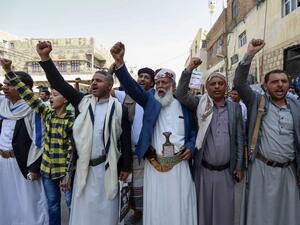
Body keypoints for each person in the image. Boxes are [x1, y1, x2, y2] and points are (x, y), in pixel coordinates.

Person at [36, 41, 132, 225]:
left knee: (106, 214)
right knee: (84, 216)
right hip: (84, 170)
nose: (94, 83)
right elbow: (59, 83)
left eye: (99, 80)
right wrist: (45, 58)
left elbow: (125, 140)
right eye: (93, 80)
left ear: (109, 86)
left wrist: (126, 167)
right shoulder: (82, 102)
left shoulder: (120, 110)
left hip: (108, 169)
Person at [111, 42, 197, 225]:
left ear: (173, 84)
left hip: (179, 165)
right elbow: (132, 88)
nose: (159, 86)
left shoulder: (185, 103)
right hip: (155, 164)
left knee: (179, 204)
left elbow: (195, 130)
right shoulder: (150, 99)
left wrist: (190, 145)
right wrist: (120, 63)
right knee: (157, 205)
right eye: (157, 82)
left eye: (164, 82)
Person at [234, 39, 300, 225]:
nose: (280, 85)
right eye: (275, 82)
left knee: (288, 216)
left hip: (289, 171)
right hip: (261, 169)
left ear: (289, 84)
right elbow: (239, 83)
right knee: (260, 217)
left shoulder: (296, 105)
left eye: (284, 81)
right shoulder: (257, 102)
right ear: (265, 85)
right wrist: (249, 55)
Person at [1, 58, 75, 225]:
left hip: (50, 168)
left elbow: (67, 148)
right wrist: (8, 70)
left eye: (55, 95)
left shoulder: (68, 119)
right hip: (41, 169)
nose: (50, 98)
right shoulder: (45, 113)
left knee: (66, 204)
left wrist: (67, 174)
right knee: (50, 205)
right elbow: (27, 96)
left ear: (66, 100)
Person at [175, 57, 244, 225]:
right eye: (213, 84)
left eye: (220, 83)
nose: (217, 86)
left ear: (226, 86)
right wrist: (188, 70)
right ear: (206, 87)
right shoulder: (200, 104)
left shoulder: (235, 108)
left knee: (225, 212)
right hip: (203, 170)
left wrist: (240, 165)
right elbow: (180, 94)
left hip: (226, 172)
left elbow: (240, 139)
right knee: (202, 212)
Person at [0, 61, 49, 225]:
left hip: (23, 164)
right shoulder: (2, 105)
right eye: (5, 84)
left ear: (24, 88)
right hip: (2, 161)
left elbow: (40, 140)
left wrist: (34, 168)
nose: (5, 87)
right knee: (6, 200)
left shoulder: (34, 108)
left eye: (10, 84)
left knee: (28, 202)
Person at [112, 67, 155, 225]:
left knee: (142, 188)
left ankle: (143, 215)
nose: (143, 79)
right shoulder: (125, 95)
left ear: (152, 82)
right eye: (140, 76)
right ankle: (136, 214)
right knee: (128, 187)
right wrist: (111, 70)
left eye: (147, 77)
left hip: (145, 153)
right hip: (127, 151)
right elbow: (106, 89)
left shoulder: (154, 97)